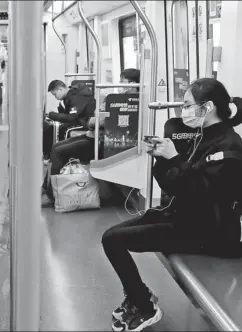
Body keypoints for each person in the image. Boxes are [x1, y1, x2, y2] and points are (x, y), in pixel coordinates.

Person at [102, 78, 242, 332]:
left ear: (207, 107)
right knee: (110, 236)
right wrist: (164, 159)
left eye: (188, 105)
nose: (183, 111)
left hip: (210, 232)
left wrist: (174, 157)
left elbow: (200, 193)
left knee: (114, 240)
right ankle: (138, 295)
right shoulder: (201, 138)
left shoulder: (229, 147)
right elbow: (174, 185)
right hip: (187, 217)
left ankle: (144, 306)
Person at [41, 80, 98, 207]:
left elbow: (72, 118)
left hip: (87, 130)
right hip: (90, 131)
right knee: (55, 147)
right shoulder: (72, 97)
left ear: (60, 90)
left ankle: (51, 194)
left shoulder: (77, 97)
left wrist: (53, 115)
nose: (55, 98)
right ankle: (47, 186)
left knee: (58, 150)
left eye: (55, 94)